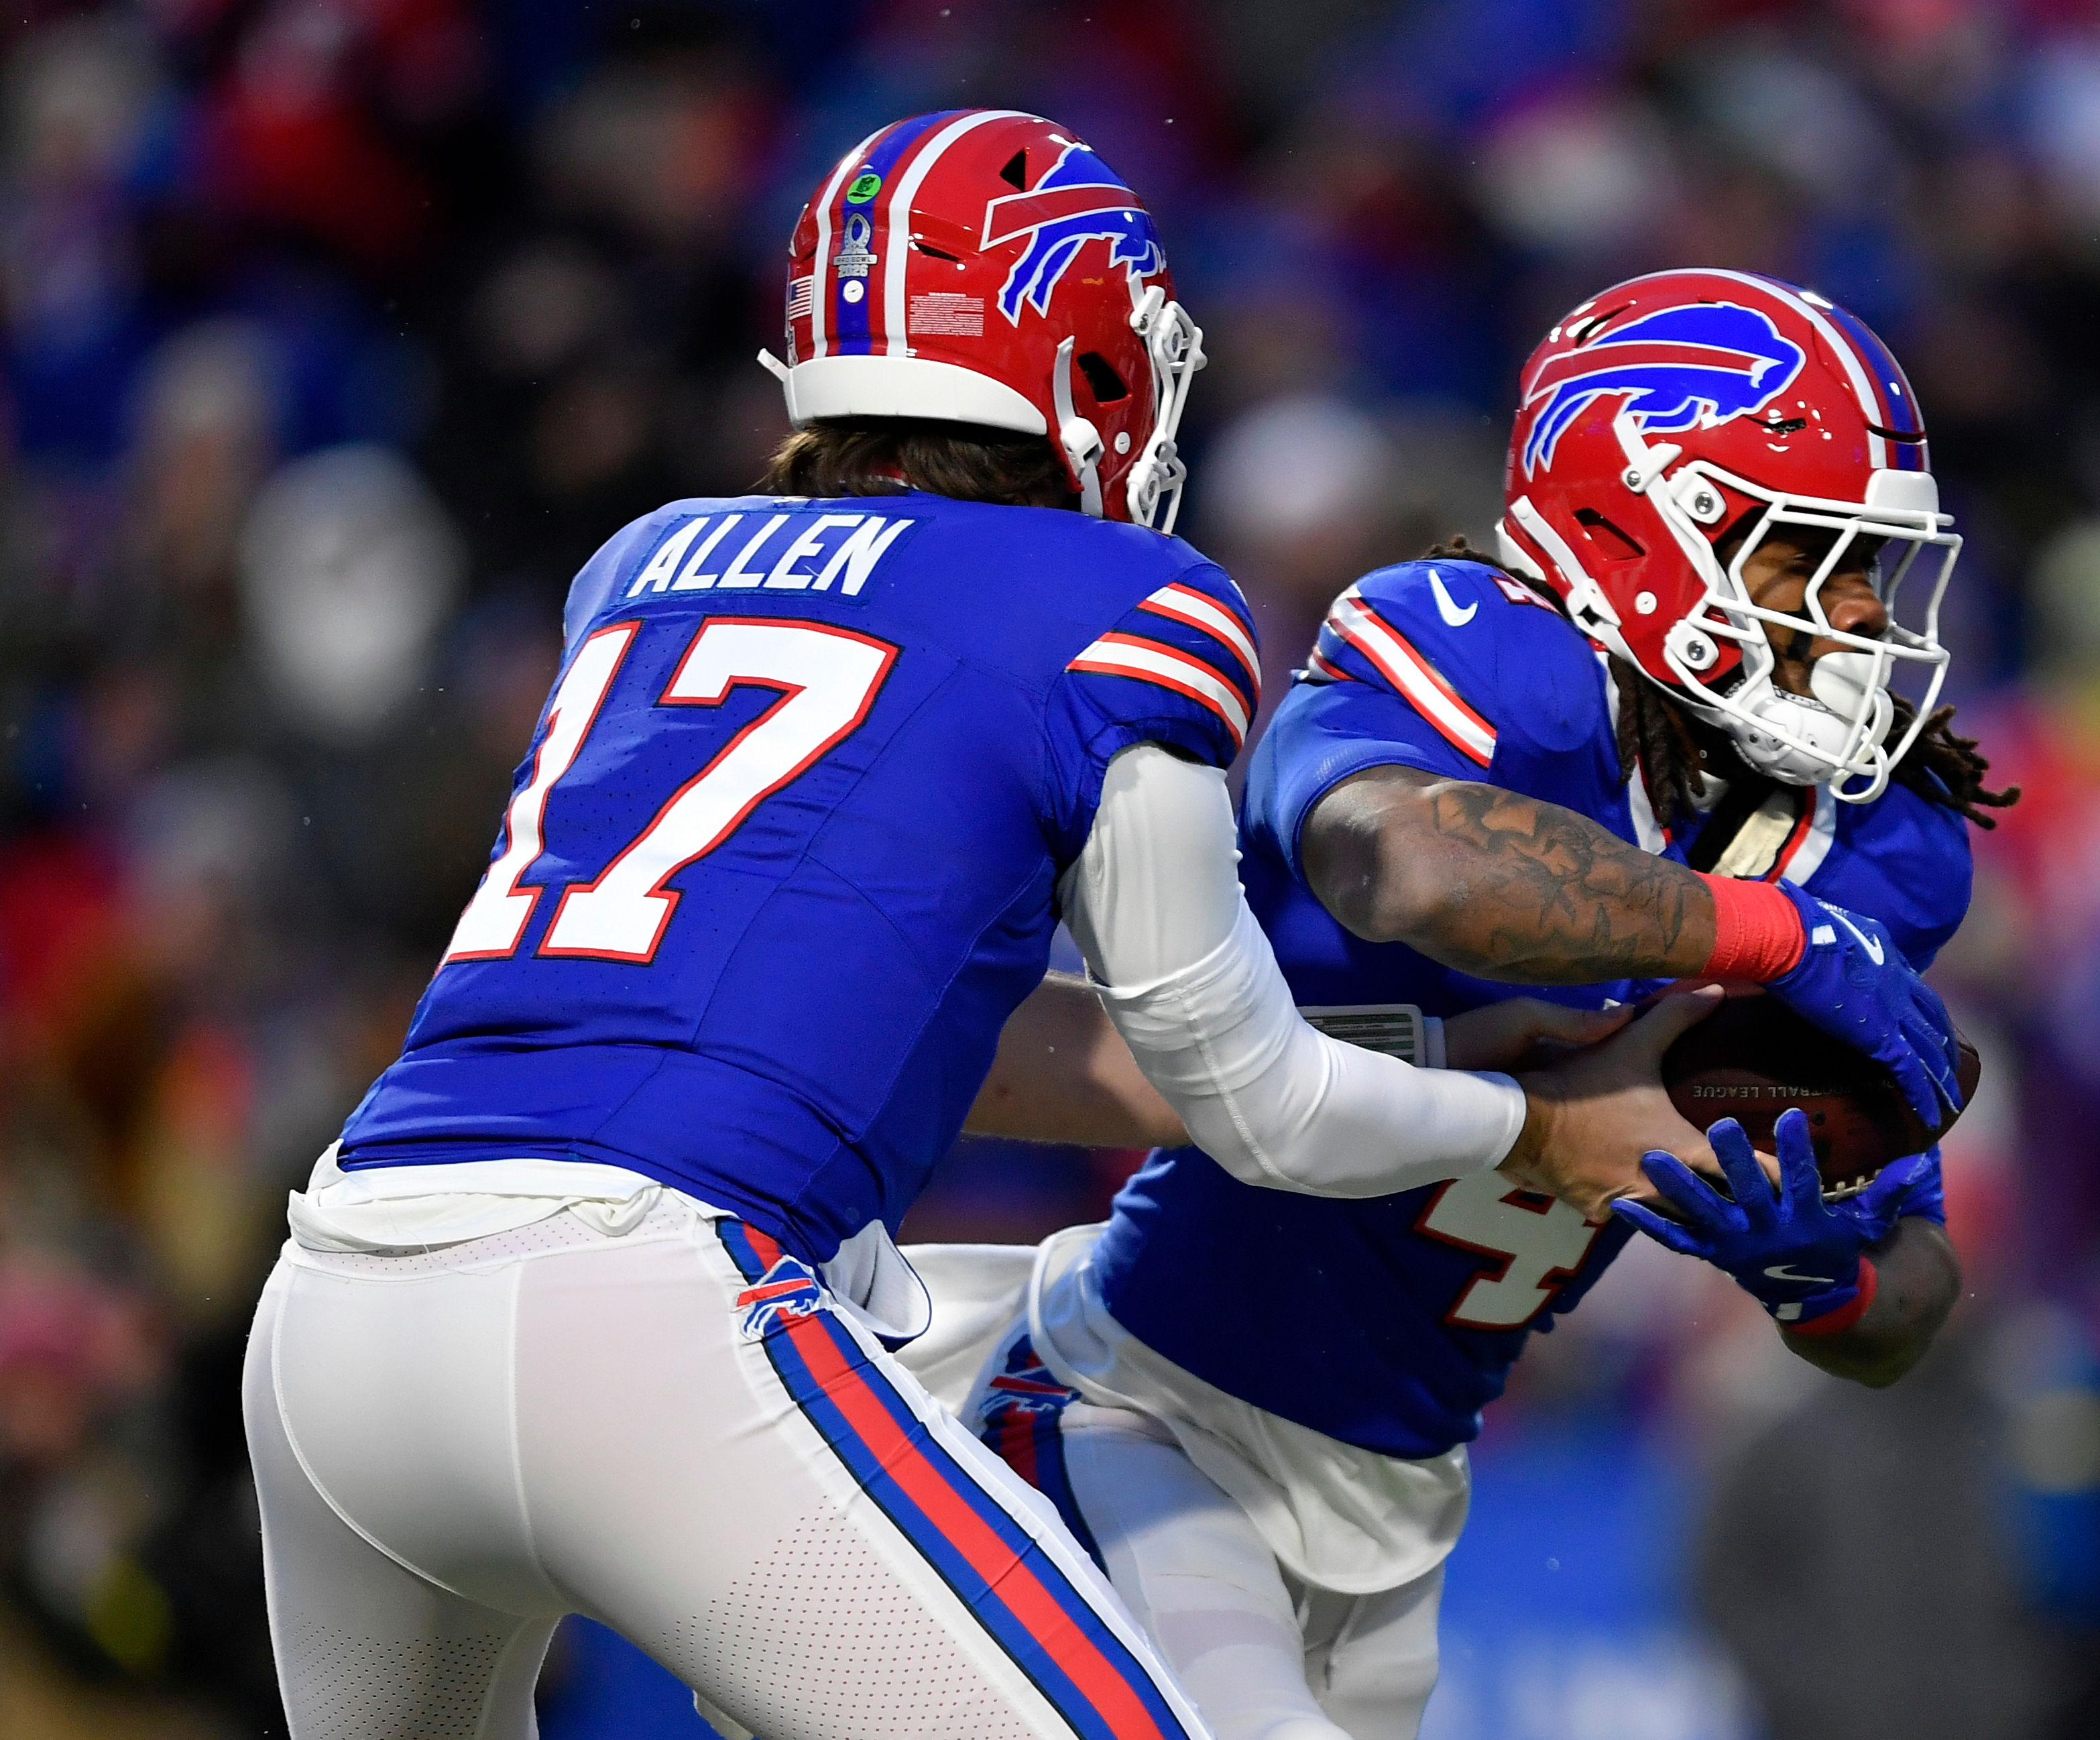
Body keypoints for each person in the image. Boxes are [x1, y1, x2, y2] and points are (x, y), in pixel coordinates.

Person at [239, 115, 1910, 1740]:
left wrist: (1477, 1059)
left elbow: (964, 1039)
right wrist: (1553, 1111)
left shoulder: (643, 565)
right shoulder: (1120, 604)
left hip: (337, 1307)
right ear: (1099, 370)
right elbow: (1260, 1087)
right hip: (655, 1311)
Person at [940, 270, 2009, 1740]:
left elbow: (1910, 1295)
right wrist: (1765, 937)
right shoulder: (1488, 656)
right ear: (1645, 526)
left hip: (1403, 1501)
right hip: (1146, 1407)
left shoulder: (1871, 847)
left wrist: (1824, 1278)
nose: (1853, 616)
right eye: (1804, 554)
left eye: (1868, 568)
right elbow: (1402, 866)